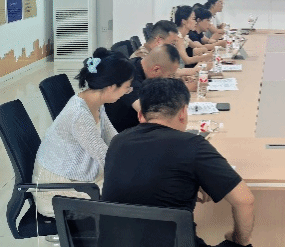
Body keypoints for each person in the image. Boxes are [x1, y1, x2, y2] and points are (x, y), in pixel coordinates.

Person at [102, 78, 255, 247]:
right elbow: (244, 200)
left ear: (140, 115)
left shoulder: (118, 141)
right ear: (183, 113)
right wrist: (239, 240)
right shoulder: (193, 145)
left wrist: (191, 181)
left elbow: (141, 182)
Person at [32, 48, 135, 217]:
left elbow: (114, 139)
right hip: (57, 189)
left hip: (77, 176)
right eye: (127, 88)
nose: (127, 92)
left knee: (131, 184)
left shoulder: (95, 102)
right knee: (129, 193)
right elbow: (106, 157)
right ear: (111, 87)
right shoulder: (79, 114)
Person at [105, 45, 180, 133]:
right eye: (169, 75)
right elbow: (149, 114)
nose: (169, 79)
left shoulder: (139, 63)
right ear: (156, 70)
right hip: (126, 133)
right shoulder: (129, 79)